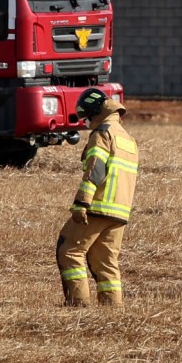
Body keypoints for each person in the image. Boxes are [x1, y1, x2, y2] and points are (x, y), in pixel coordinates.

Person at [56, 89, 139, 306]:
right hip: (120, 211)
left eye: (88, 117)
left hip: (98, 206)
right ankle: (112, 313)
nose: (87, 123)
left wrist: (82, 202)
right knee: (105, 261)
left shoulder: (103, 132)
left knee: (70, 250)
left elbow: (96, 170)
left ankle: (78, 306)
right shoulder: (127, 138)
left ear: (96, 112)